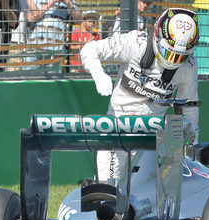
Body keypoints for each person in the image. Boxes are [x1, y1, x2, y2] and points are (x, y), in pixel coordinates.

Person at [81, 8, 200, 182]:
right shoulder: (136, 43)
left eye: (179, 56)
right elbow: (89, 49)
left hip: (151, 140)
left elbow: (189, 106)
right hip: (116, 130)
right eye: (169, 52)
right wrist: (99, 74)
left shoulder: (188, 67)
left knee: (148, 199)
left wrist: (193, 144)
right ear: (158, 37)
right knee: (107, 189)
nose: (173, 59)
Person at [24, 0, 80, 71]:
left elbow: (78, 20)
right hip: (36, 41)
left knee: (52, 76)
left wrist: (69, 4)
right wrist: (50, 3)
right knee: (30, 73)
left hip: (56, 45)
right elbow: (34, 15)